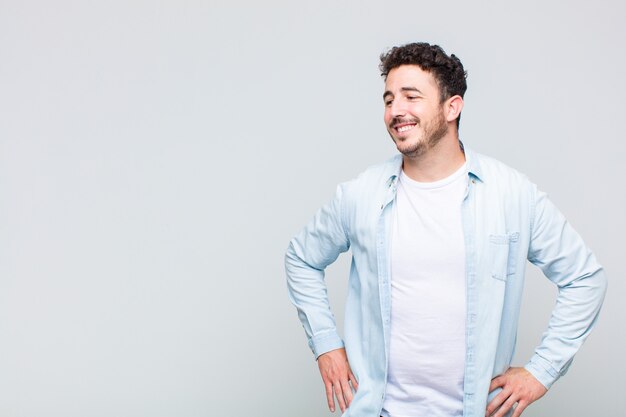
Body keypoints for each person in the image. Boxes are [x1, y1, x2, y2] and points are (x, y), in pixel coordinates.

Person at [285, 42, 607, 417]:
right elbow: (301, 258)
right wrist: (326, 343)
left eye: (411, 96)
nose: (395, 111)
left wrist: (541, 372)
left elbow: (585, 279)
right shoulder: (359, 195)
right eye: (389, 99)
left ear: (452, 107)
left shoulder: (512, 194)